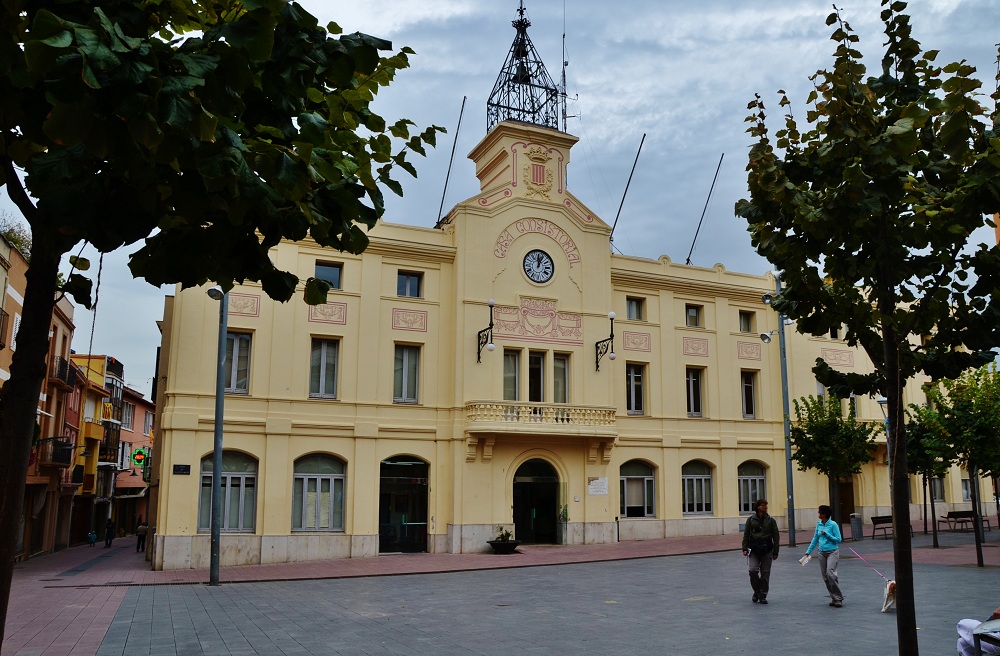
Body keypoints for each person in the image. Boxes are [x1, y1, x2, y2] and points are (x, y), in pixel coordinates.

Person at [804, 505, 844, 607]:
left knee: (830, 573)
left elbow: (839, 539)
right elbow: (815, 539)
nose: (818, 514)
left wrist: (827, 535)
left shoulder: (833, 524)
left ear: (824, 514)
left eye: (819, 512)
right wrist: (808, 551)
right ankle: (833, 598)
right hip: (821, 552)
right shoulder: (819, 524)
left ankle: (838, 598)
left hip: (832, 552)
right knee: (825, 577)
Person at [741, 498, 780, 604]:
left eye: (766, 505)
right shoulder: (751, 520)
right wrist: (744, 548)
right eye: (763, 505)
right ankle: (757, 591)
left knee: (765, 573)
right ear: (758, 507)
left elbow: (776, 536)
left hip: (767, 549)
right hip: (754, 549)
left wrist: (775, 551)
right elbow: (746, 534)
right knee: (753, 571)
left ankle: (763, 594)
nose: (766, 507)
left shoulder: (771, 520)